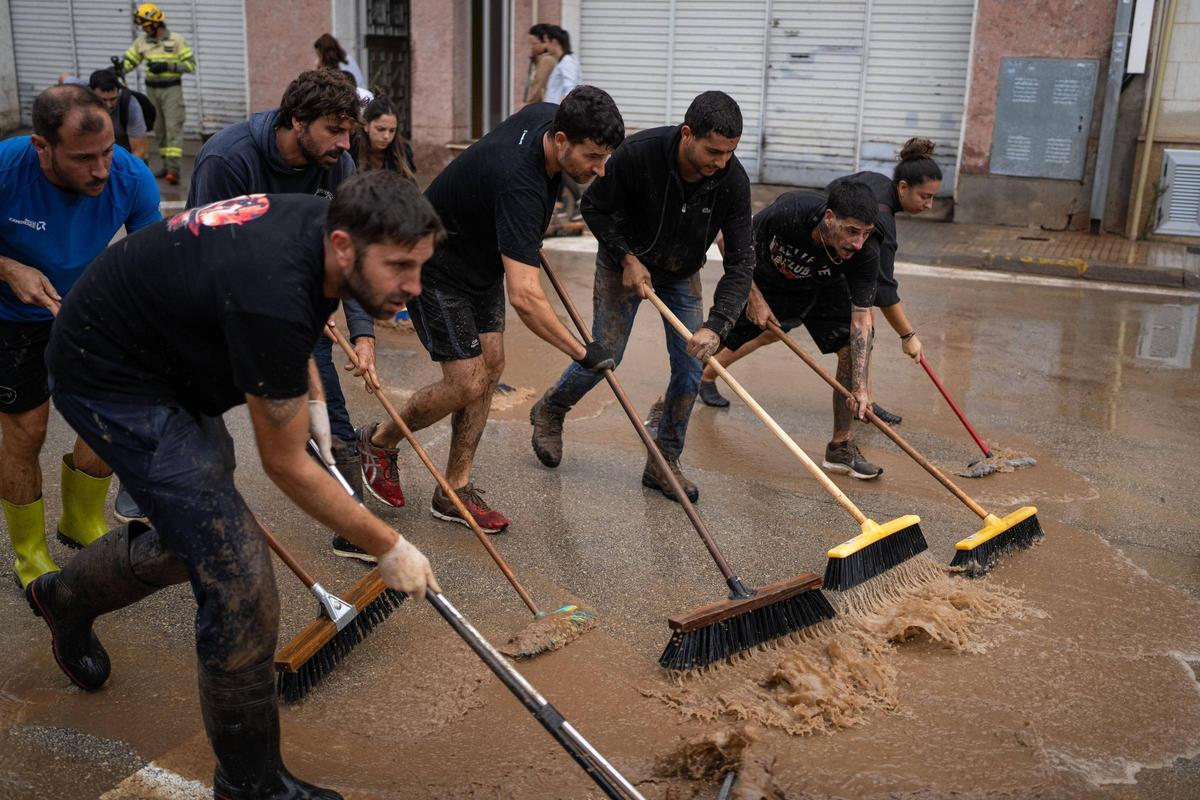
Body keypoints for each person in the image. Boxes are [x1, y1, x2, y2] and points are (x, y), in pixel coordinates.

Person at [31, 171, 440, 800]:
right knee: (242, 581)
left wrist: (308, 382)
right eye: (400, 268)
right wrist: (388, 545)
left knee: (194, 537)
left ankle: (65, 597)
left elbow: (297, 300)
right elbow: (285, 465)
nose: (413, 288)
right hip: (108, 374)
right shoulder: (271, 290)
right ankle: (249, 784)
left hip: (165, 354)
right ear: (342, 245)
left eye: (421, 266)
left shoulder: (322, 224)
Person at [357, 87, 625, 533]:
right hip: (437, 262)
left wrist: (511, 223)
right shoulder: (520, 183)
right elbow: (525, 297)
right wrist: (583, 352)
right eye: (593, 157)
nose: (600, 169)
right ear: (560, 141)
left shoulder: (547, 115)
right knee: (466, 382)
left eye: (605, 157)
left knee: (492, 364)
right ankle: (379, 443)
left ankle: (454, 489)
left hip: (481, 258)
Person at [189, 69, 380, 561]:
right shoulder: (228, 159)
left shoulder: (338, 167)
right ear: (297, 121)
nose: (343, 143)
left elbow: (350, 248)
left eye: (349, 132)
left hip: (294, 304)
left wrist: (363, 332)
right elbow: (207, 252)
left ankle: (353, 523)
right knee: (196, 429)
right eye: (333, 131)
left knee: (329, 417)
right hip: (212, 306)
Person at [529, 91, 754, 503]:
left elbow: (741, 262)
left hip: (681, 272)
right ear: (688, 134)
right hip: (623, 265)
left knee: (690, 368)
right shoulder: (640, 154)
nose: (721, 162)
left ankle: (663, 462)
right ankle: (551, 409)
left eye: (729, 153)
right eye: (713, 151)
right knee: (605, 355)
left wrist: (717, 325)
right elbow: (594, 208)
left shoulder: (732, 181)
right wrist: (627, 258)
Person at [0, 85, 160, 589]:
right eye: (84, 158)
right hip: (9, 317)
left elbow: (152, 260)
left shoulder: (131, 176)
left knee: (111, 413)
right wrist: (7, 268)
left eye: (108, 152)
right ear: (41, 146)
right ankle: (30, 554)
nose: (101, 170)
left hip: (83, 307)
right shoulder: (6, 169)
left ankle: (79, 520)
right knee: (27, 433)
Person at [699, 180, 883, 479]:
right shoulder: (791, 211)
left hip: (824, 285)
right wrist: (754, 297)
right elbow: (728, 243)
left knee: (851, 348)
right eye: (851, 231)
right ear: (829, 218)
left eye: (866, 233)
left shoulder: (866, 251)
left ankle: (840, 447)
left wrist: (861, 386)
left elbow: (862, 320)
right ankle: (666, 409)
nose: (858, 243)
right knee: (713, 340)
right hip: (765, 281)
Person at [121, 3, 195, 184]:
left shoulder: (176, 40)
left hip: (171, 91)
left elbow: (191, 65)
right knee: (159, 130)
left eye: (146, 24)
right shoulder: (142, 42)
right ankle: (165, 166)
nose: (144, 28)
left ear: (155, 22)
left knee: (173, 128)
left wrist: (168, 66)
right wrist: (116, 70)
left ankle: (174, 169)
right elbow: (129, 62)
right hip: (152, 91)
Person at [59, 69, 149, 161]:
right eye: (103, 100)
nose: (109, 105)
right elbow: (64, 77)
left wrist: (122, 172)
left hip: (125, 157)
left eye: (113, 99)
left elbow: (139, 150)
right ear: (91, 93)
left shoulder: (131, 105)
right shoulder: (81, 89)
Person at [351, 96, 416, 182]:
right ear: (366, 125)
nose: (386, 136)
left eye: (392, 130)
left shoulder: (402, 151)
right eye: (380, 129)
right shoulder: (351, 147)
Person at [544, 27, 581, 105]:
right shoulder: (563, 61)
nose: (545, 46)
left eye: (546, 42)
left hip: (558, 112)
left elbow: (570, 90)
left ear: (554, 42)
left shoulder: (567, 62)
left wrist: (562, 111)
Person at [524, 24, 557, 105]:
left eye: (534, 44)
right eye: (530, 44)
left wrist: (527, 106)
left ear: (545, 43)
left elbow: (538, 87)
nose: (531, 47)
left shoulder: (547, 60)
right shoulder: (541, 59)